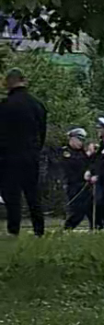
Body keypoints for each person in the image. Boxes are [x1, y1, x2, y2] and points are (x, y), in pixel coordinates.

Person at [0, 67, 48, 237]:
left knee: (12, 195)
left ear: (8, 83)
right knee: (32, 193)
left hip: (8, 157)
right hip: (31, 155)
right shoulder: (37, 104)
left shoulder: (5, 106)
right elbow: (42, 132)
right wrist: (35, 150)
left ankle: (14, 230)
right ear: (24, 81)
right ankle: (39, 229)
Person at [62, 127, 95, 231]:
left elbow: (89, 164)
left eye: (83, 140)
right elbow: (74, 164)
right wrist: (88, 155)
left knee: (92, 210)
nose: (81, 143)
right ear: (72, 139)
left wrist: (92, 155)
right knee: (78, 211)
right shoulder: (66, 152)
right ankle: (67, 229)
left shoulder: (82, 152)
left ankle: (96, 229)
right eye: (79, 140)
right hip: (73, 185)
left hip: (86, 185)